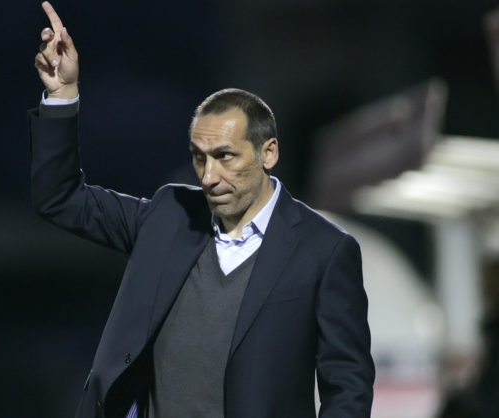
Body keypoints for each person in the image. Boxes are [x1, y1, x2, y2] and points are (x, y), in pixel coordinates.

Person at [30, 2, 375, 417]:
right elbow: (60, 198)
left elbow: (348, 387)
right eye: (199, 157)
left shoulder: (324, 250)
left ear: (268, 153)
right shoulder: (169, 215)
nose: (209, 176)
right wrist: (62, 96)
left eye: (224, 156)